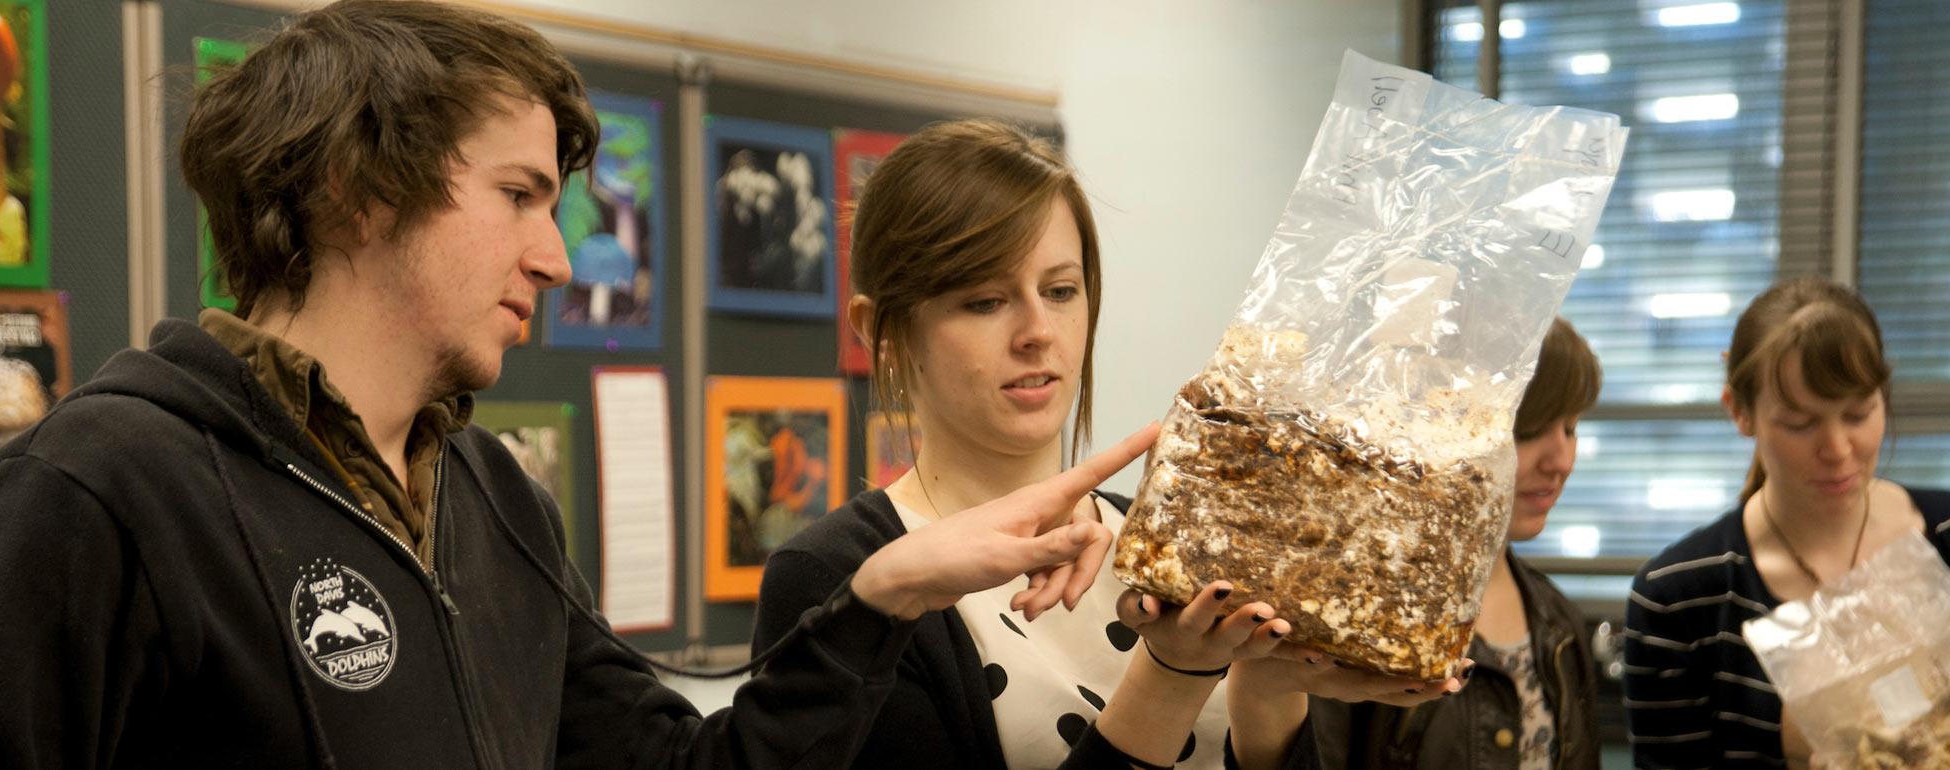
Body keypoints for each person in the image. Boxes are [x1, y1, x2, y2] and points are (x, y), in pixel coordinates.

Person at [0, 3, 1161, 767]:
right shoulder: (95, 491)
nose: (557, 254)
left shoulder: (488, 496)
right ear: (359, 192)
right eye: (519, 194)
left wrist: (879, 596)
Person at [753, 119, 1461, 770]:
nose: (1038, 331)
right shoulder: (840, 579)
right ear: (882, 331)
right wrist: (1172, 674)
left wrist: (1268, 690)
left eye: (1060, 291)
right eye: (984, 301)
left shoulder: (1164, 547)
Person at [1623, 277, 1950, 769]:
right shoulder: (1680, 598)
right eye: (1800, 424)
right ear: (1740, 412)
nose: (1838, 450)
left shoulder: (1943, 535)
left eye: (1858, 414)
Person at [1305, 318, 1604, 769]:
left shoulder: (1559, 621)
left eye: (1571, 428)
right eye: (1528, 430)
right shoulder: (1358, 613)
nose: (1560, 460)